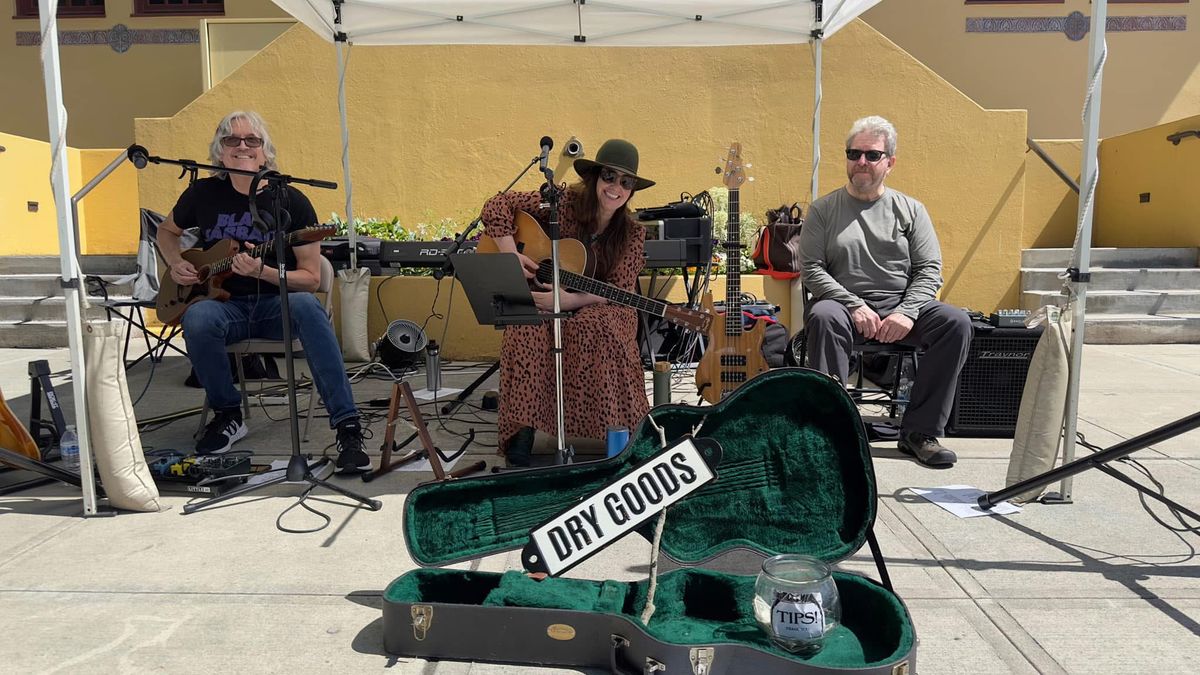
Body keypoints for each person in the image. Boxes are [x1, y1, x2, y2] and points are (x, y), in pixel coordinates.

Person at [156, 110, 370, 475]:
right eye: (232, 140)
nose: (242, 147)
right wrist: (176, 262)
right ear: (219, 152)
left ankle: (347, 427)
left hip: (277, 306)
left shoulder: (291, 201)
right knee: (197, 316)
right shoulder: (202, 193)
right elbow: (166, 232)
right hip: (226, 307)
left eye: (251, 140)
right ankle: (228, 414)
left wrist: (263, 271)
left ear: (265, 152)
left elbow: (310, 280)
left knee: (308, 307)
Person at [799, 116, 972, 468]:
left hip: (901, 305)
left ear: (890, 162)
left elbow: (929, 270)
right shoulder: (823, 210)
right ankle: (832, 432)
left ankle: (919, 432)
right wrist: (853, 304)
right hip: (843, 305)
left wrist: (906, 311)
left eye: (872, 155)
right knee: (822, 316)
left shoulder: (910, 210)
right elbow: (812, 269)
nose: (861, 161)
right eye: (854, 153)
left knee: (956, 323)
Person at [480, 139, 654, 466]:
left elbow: (616, 290)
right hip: (548, 291)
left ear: (632, 190)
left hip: (602, 304)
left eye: (626, 182)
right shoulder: (561, 201)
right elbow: (495, 205)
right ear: (594, 178)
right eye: (609, 177)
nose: (616, 187)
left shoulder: (632, 233)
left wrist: (568, 299)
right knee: (527, 324)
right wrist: (511, 255)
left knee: (598, 327)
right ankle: (523, 431)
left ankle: (617, 431)